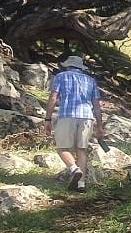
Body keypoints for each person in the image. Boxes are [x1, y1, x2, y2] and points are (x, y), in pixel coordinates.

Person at [45, 55, 105, 190]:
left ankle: (74, 169)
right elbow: (96, 105)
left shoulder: (61, 76)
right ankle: (81, 184)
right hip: (87, 117)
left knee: (62, 147)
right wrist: (100, 126)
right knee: (81, 150)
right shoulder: (91, 80)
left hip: (67, 115)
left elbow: (53, 98)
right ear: (80, 67)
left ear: (67, 65)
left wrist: (48, 119)